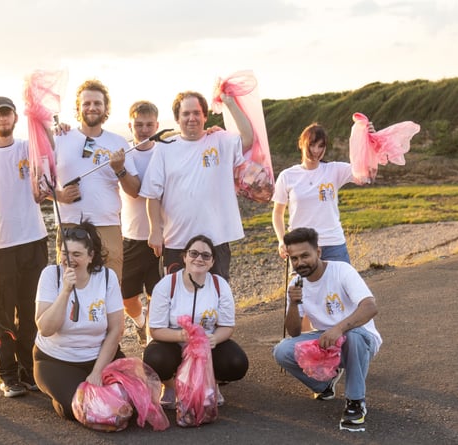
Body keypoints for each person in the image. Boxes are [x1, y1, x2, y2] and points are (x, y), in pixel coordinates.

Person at [0, 96, 51, 398]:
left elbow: (51, 158)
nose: (3, 120)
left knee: (31, 312)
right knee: (3, 313)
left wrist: (46, 122)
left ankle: (28, 371)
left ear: (16, 118)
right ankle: (8, 375)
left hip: (34, 240)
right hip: (0, 245)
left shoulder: (28, 148)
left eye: (7, 114)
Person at [273, 227, 381, 430]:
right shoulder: (297, 282)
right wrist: (294, 304)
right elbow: (295, 333)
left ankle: (355, 402)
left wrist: (338, 329)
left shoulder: (341, 270)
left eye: (305, 255)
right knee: (282, 350)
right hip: (327, 341)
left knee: (353, 337)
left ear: (318, 252)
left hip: (360, 339)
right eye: (294, 258)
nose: (300, 262)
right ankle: (325, 384)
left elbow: (370, 306)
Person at [140, 91, 253, 280]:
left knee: (215, 297)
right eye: (185, 114)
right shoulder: (164, 148)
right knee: (177, 298)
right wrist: (155, 231)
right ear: (177, 118)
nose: (191, 118)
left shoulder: (220, 140)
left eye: (196, 113)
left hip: (216, 239)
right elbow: (152, 194)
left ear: (205, 116)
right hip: (177, 241)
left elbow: (248, 138)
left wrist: (229, 103)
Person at [33, 220, 125, 420]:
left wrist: (97, 372)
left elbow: (116, 329)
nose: (69, 260)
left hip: (98, 356)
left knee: (125, 406)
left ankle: (81, 386)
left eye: (77, 255)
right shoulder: (51, 275)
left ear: (91, 256)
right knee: (83, 409)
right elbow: (45, 328)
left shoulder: (107, 277)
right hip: (56, 360)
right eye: (65, 254)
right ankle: (61, 396)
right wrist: (65, 290)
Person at [143, 235, 249, 408]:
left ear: (212, 262)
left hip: (207, 345)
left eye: (206, 255)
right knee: (154, 358)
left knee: (236, 362)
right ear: (184, 257)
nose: (199, 258)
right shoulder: (166, 285)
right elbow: (155, 330)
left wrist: (214, 339)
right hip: (174, 343)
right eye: (193, 253)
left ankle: (209, 383)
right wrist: (181, 335)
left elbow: (227, 326)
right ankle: (173, 387)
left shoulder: (219, 285)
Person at [54, 79, 140, 282]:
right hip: (69, 225)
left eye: (97, 103)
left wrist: (120, 170)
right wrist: (60, 196)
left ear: (105, 108)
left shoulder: (118, 142)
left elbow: (134, 190)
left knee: (109, 288)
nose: (92, 108)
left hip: (107, 226)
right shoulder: (60, 138)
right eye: (86, 103)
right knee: (70, 289)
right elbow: (39, 186)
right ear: (78, 108)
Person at [272, 122, 373, 263]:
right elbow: (277, 213)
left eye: (321, 146)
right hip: (301, 246)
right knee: (302, 286)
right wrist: (282, 240)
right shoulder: (287, 176)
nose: (316, 150)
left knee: (340, 285)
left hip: (334, 244)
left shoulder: (334, 170)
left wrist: (369, 140)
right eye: (312, 145)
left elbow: (365, 173)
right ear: (301, 144)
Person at [119, 100, 162, 345]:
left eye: (149, 125)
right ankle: (140, 322)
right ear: (130, 125)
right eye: (138, 125)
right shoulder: (123, 154)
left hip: (161, 237)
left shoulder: (165, 151)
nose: (144, 130)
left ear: (156, 125)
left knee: (157, 296)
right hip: (131, 237)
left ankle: (152, 343)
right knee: (127, 298)